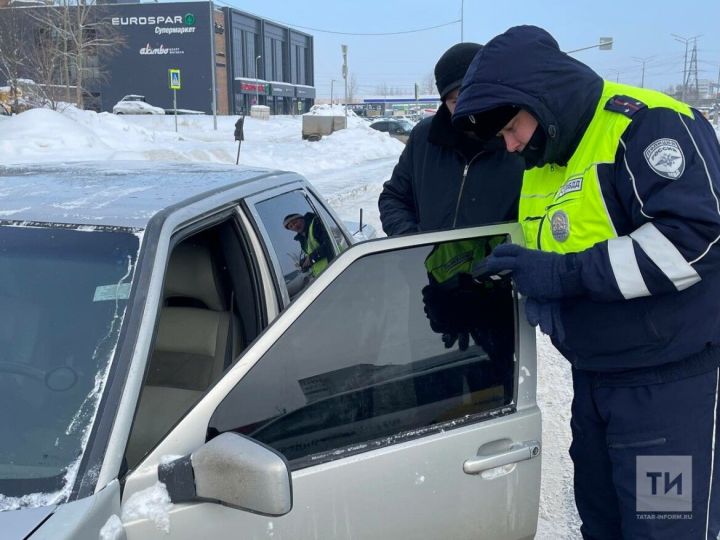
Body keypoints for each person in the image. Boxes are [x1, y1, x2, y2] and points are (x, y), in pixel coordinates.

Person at [452, 25, 720, 539]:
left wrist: (562, 275)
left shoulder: (645, 127)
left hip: (665, 391)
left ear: (541, 98)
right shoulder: (545, 162)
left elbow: (696, 240)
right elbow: (552, 254)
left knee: (665, 530)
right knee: (602, 525)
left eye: (511, 128)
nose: (509, 146)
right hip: (595, 381)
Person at [378, 42, 524, 236]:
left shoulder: (518, 143)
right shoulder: (424, 137)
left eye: (473, 96)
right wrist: (413, 243)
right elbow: (393, 198)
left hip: (496, 266)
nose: (468, 108)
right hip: (428, 264)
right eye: (456, 101)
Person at [283, 212, 333, 278]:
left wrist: (311, 258)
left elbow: (330, 244)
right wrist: (305, 262)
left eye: (295, 222)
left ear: (302, 219)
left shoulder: (316, 224)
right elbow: (313, 251)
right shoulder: (303, 238)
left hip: (336, 267)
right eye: (291, 226)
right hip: (325, 276)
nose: (294, 226)